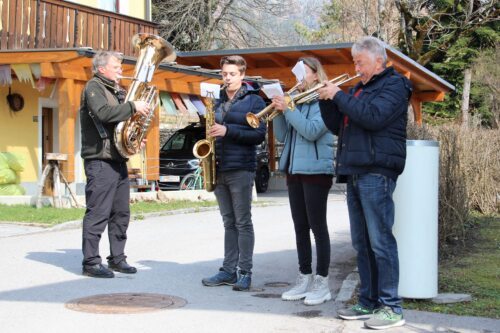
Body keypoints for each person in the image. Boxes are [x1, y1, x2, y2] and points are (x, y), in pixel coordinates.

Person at [317, 36, 412, 329]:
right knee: (362, 243)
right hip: (356, 169)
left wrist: (339, 95)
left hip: (377, 170)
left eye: (360, 62)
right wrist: (326, 101)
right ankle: (368, 302)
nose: (355, 67)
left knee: (381, 242)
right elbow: (338, 127)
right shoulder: (359, 89)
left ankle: (391, 307)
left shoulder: (395, 85)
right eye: (355, 62)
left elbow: (373, 118)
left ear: (378, 60)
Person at [79, 51, 150, 278]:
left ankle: (117, 259)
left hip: (117, 159)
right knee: (98, 212)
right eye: (116, 67)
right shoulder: (94, 87)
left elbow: (120, 125)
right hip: (100, 160)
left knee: (121, 213)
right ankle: (90, 262)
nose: (121, 70)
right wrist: (132, 106)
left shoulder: (116, 91)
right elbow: (103, 114)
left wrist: (134, 138)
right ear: (102, 69)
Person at [271, 57, 334, 305]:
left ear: (316, 75)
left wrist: (288, 109)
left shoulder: (323, 101)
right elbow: (284, 135)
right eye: (297, 74)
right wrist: (278, 111)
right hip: (295, 170)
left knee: (318, 227)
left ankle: (322, 282)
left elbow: (310, 131)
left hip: (317, 171)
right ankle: (304, 277)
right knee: (300, 228)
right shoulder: (296, 101)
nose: (299, 79)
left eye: (303, 73)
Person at [201, 55, 266, 291]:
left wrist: (227, 131)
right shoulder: (215, 100)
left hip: (241, 168)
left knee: (242, 222)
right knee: (228, 222)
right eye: (224, 74)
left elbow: (258, 136)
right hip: (218, 166)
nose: (227, 78)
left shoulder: (254, 101)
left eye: (232, 74)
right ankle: (228, 270)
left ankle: (245, 272)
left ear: (242, 75)